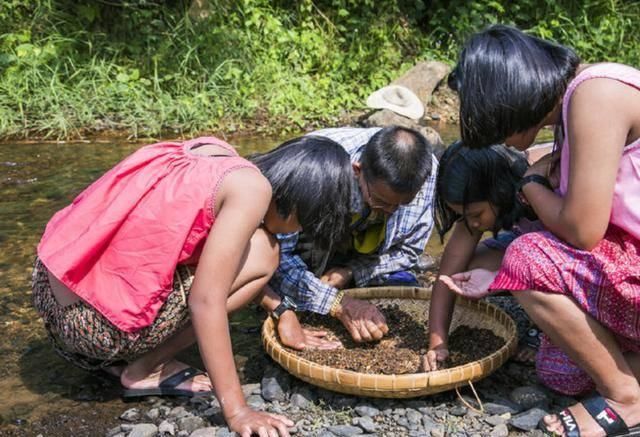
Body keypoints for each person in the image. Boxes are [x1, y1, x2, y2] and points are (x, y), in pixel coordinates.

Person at [32, 134, 353, 436]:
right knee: (265, 252)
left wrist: (282, 309)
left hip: (52, 288)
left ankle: (128, 355)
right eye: (304, 222)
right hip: (88, 327)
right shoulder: (254, 192)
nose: (293, 231)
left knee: (243, 254)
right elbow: (205, 301)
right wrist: (238, 411)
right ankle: (142, 370)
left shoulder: (214, 153)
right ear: (301, 203)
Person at [441, 24, 640, 437]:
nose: (505, 144)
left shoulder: (595, 94)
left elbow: (582, 232)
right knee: (560, 373)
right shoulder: (569, 118)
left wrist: (530, 185)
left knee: (527, 256)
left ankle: (626, 397)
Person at [269, 126, 438, 349]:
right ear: (357, 171)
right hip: (317, 226)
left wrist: (352, 271)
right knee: (296, 281)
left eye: (401, 204)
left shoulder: (425, 173)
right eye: (381, 201)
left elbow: (408, 251)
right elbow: (277, 252)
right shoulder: (317, 168)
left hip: (365, 244)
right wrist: (337, 303)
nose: (390, 210)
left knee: (400, 280)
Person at [425, 141, 544, 371]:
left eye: (476, 214)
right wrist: (437, 342)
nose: (473, 224)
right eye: (464, 216)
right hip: (523, 246)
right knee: (463, 272)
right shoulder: (479, 202)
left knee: (523, 257)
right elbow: (447, 274)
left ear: (498, 190)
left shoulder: (538, 185)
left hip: (561, 254)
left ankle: (542, 328)